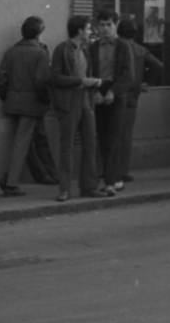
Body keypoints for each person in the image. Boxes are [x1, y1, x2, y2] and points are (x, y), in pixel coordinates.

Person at [50, 14, 108, 202]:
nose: (91, 31)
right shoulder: (62, 49)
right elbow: (55, 77)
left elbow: (88, 72)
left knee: (90, 142)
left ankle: (89, 186)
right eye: (88, 28)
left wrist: (94, 83)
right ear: (80, 30)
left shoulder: (86, 50)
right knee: (66, 145)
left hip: (86, 98)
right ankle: (65, 188)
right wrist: (80, 81)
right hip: (70, 100)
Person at [0, 16, 51, 197]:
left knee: (20, 142)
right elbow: (42, 81)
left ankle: (11, 178)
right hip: (31, 103)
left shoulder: (11, 52)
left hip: (13, 101)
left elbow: (0, 79)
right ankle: (10, 182)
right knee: (22, 143)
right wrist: (45, 100)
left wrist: (8, 96)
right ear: (39, 34)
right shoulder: (40, 53)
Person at [116, 17, 163, 182]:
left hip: (115, 94)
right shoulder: (140, 50)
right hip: (133, 94)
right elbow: (158, 65)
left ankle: (107, 169)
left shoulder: (115, 47)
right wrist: (147, 82)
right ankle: (122, 171)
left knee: (110, 132)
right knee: (126, 134)